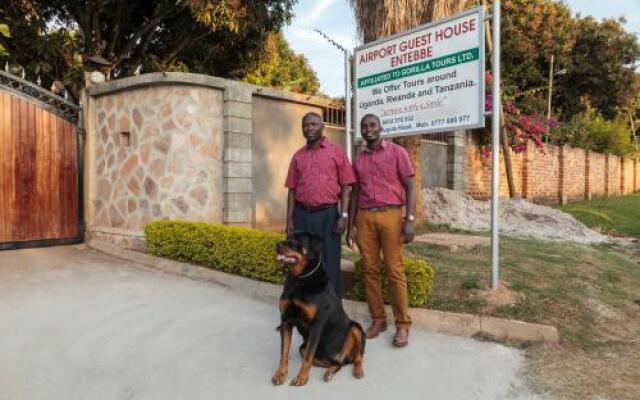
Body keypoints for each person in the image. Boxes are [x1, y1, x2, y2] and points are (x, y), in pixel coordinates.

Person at [347, 114, 416, 347]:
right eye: (364, 126)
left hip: (391, 215)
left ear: (380, 128)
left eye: (372, 125)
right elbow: (355, 193)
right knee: (370, 270)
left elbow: (410, 185)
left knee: (395, 270)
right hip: (365, 217)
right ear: (361, 131)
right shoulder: (359, 159)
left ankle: (402, 325)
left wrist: (410, 218)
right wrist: (351, 225)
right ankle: (378, 320)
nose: (368, 129)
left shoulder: (397, 152)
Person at [285, 112, 356, 296]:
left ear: (322, 127)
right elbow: (291, 189)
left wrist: (344, 216)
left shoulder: (336, 152)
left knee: (330, 260)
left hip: (328, 216)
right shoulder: (298, 157)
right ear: (302, 129)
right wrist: (289, 220)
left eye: (314, 124)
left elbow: (347, 186)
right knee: (302, 259)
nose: (310, 128)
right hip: (302, 215)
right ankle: (306, 303)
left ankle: (331, 305)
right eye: (306, 125)